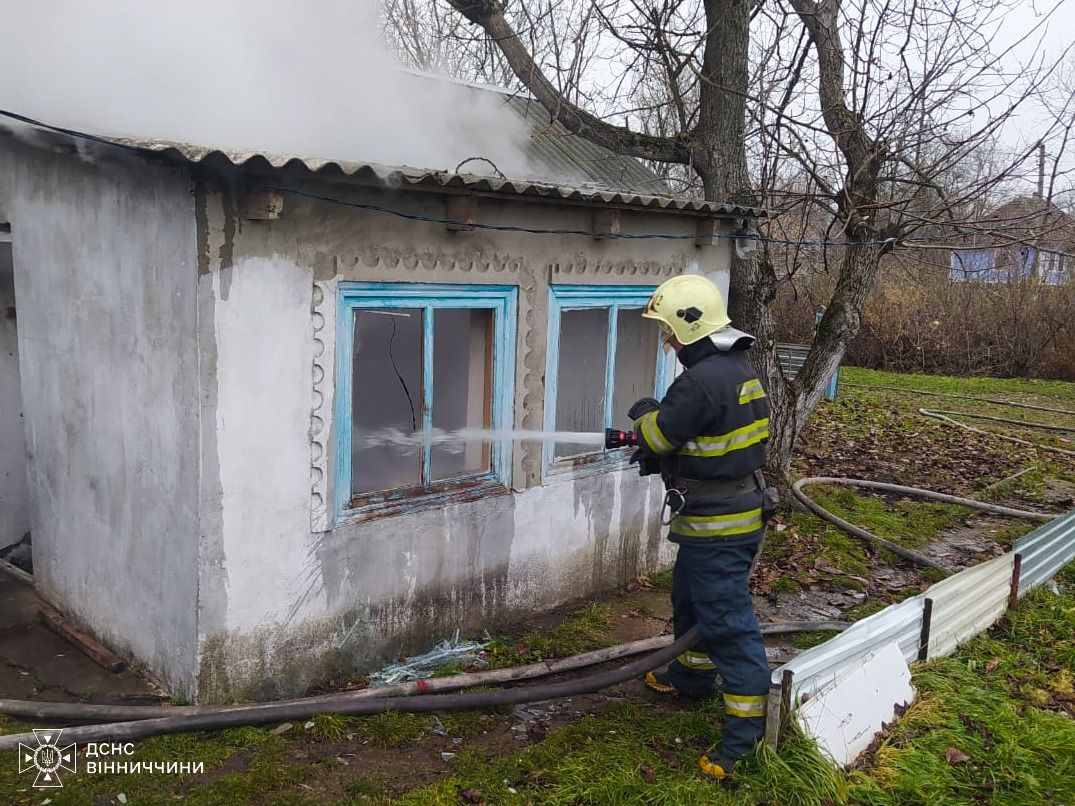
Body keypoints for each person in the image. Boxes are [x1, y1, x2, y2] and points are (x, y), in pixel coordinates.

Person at [628, 274, 775, 781]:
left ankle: (746, 739)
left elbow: (662, 437)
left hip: (719, 527)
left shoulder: (697, 382)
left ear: (689, 327)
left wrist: (647, 417)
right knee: (689, 598)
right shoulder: (737, 368)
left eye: (668, 330)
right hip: (732, 513)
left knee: (728, 624)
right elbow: (714, 440)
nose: (667, 341)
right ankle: (691, 677)